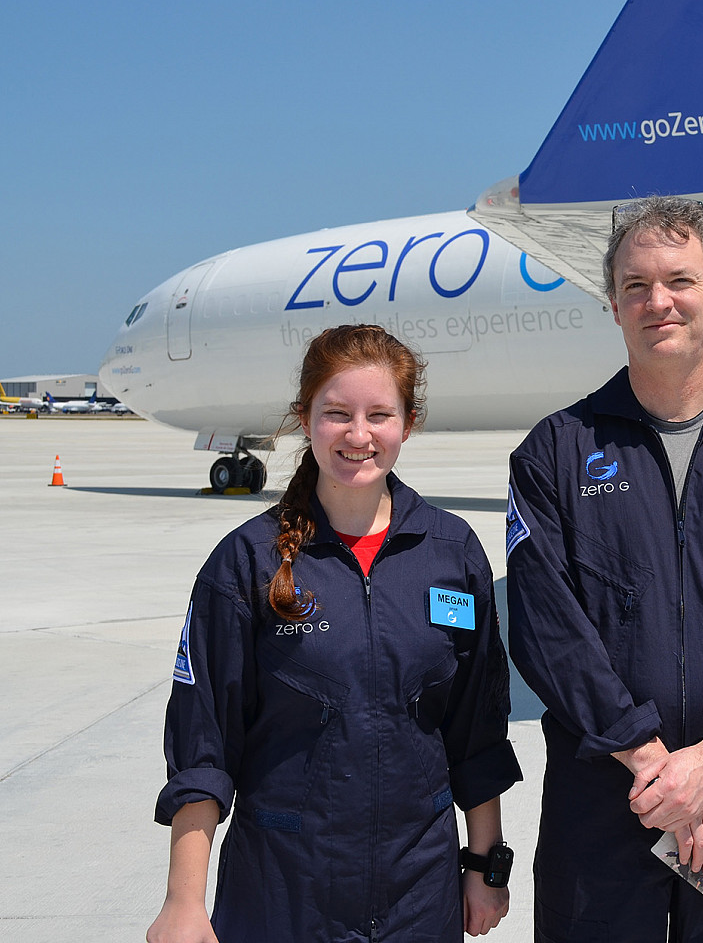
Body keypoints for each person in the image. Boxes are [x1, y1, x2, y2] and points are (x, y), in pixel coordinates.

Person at [505, 195, 703, 942]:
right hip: (606, 794)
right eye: (635, 286)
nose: (659, 302)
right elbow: (548, 627)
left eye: (680, 281)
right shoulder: (554, 453)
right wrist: (655, 767)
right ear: (614, 307)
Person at [147, 324, 522, 942]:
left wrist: (486, 865)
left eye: (380, 414)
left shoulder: (452, 554)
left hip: (418, 892)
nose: (358, 435)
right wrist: (183, 901)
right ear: (305, 418)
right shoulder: (247, 562)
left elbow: (476, 728)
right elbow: (203, 743)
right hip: (285, 891)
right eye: (337, 414)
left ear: (408, 423)